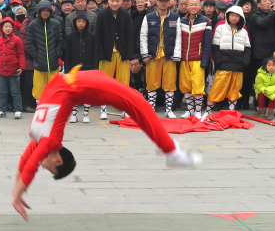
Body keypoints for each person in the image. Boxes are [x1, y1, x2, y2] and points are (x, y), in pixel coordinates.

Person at [11, 67, 201, 219]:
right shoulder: (42, 139)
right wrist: (18, 192)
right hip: (74, 82)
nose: (43, 167)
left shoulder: (48, 141)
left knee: (137, 102)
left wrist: (17, 195)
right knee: (135, 101)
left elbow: (29, 164)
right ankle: (169, 149)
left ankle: (171, 151)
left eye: (48, 169)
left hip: (78, 84)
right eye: (49, 170)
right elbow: (26, 162)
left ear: (58, 161)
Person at [140, 0, 182, 117]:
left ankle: (169, 110)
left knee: (170, 83)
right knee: (152, 82)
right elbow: (143, 36)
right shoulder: (148, 17)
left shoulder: (175, 17)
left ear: (169, 2)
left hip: (169, 55)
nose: (163, 3)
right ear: (156, 2)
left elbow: (179, 37)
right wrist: (144, 54)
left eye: (166, 0)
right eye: (161, 0)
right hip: (153, 54)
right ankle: (151, 108)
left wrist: (177, 55)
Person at [205, 5, 250, 115]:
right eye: (232, 15)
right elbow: (215, 46)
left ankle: (231, 112)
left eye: (237, 16)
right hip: (223, 64)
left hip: (238, 65)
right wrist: (218, 59)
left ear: (241, 17)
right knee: (217, 88)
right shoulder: (220, 28)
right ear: (227, 16)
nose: (234, 18)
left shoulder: (243, 31)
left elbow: (247, 48)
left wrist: (245, 61)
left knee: (235, 89)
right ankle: (207, 111)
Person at [178, 0, 212, 119]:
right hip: (184, 59)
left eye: (196, 5)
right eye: (191, 5)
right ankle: (190, 110)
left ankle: (198, 112)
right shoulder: (182, 21)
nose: (193, 7)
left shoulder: (206, 21)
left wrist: (205, 61)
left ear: (200, 7)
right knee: (185, 86)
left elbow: (208, 43)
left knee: (198, 86)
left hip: (198, 59)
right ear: (187, 7)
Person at [27, 0, 64, 106]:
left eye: (47, 10)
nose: (45, 13)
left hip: (53, 62)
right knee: (39, 86)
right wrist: (36, 55)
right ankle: (40, 106)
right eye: (43, 10)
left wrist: (57, 54)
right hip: (39, 63)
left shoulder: (56, 24)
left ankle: (53, 107)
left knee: (54, 86)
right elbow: (30, 43)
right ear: (39, 11)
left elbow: (60, 41)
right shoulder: (32, 25)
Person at [64, 11, 97, 123]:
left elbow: (94, 54)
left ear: (87, 23)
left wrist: (94, 69)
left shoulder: (92, 37)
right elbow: (67, 55)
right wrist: (67, 70)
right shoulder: (70, 37)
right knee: (74, 92)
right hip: (74, 69)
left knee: (87, 92)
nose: (81, 23)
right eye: (79, 21)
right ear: (75, 23)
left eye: (83, 21)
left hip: (88, 68)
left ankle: (86, 114)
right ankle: (74, 114)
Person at [0, 17, 25, 119]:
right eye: (6, 26)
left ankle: (18, 110)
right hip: (1, 70)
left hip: (14, 70)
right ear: (2, 28)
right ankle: (2, 110)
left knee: (15, 92)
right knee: (2, 92)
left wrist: (22, 67)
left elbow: (21, 54)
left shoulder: (17, 40)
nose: (8, 28)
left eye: (10, 26)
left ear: (13, 28)